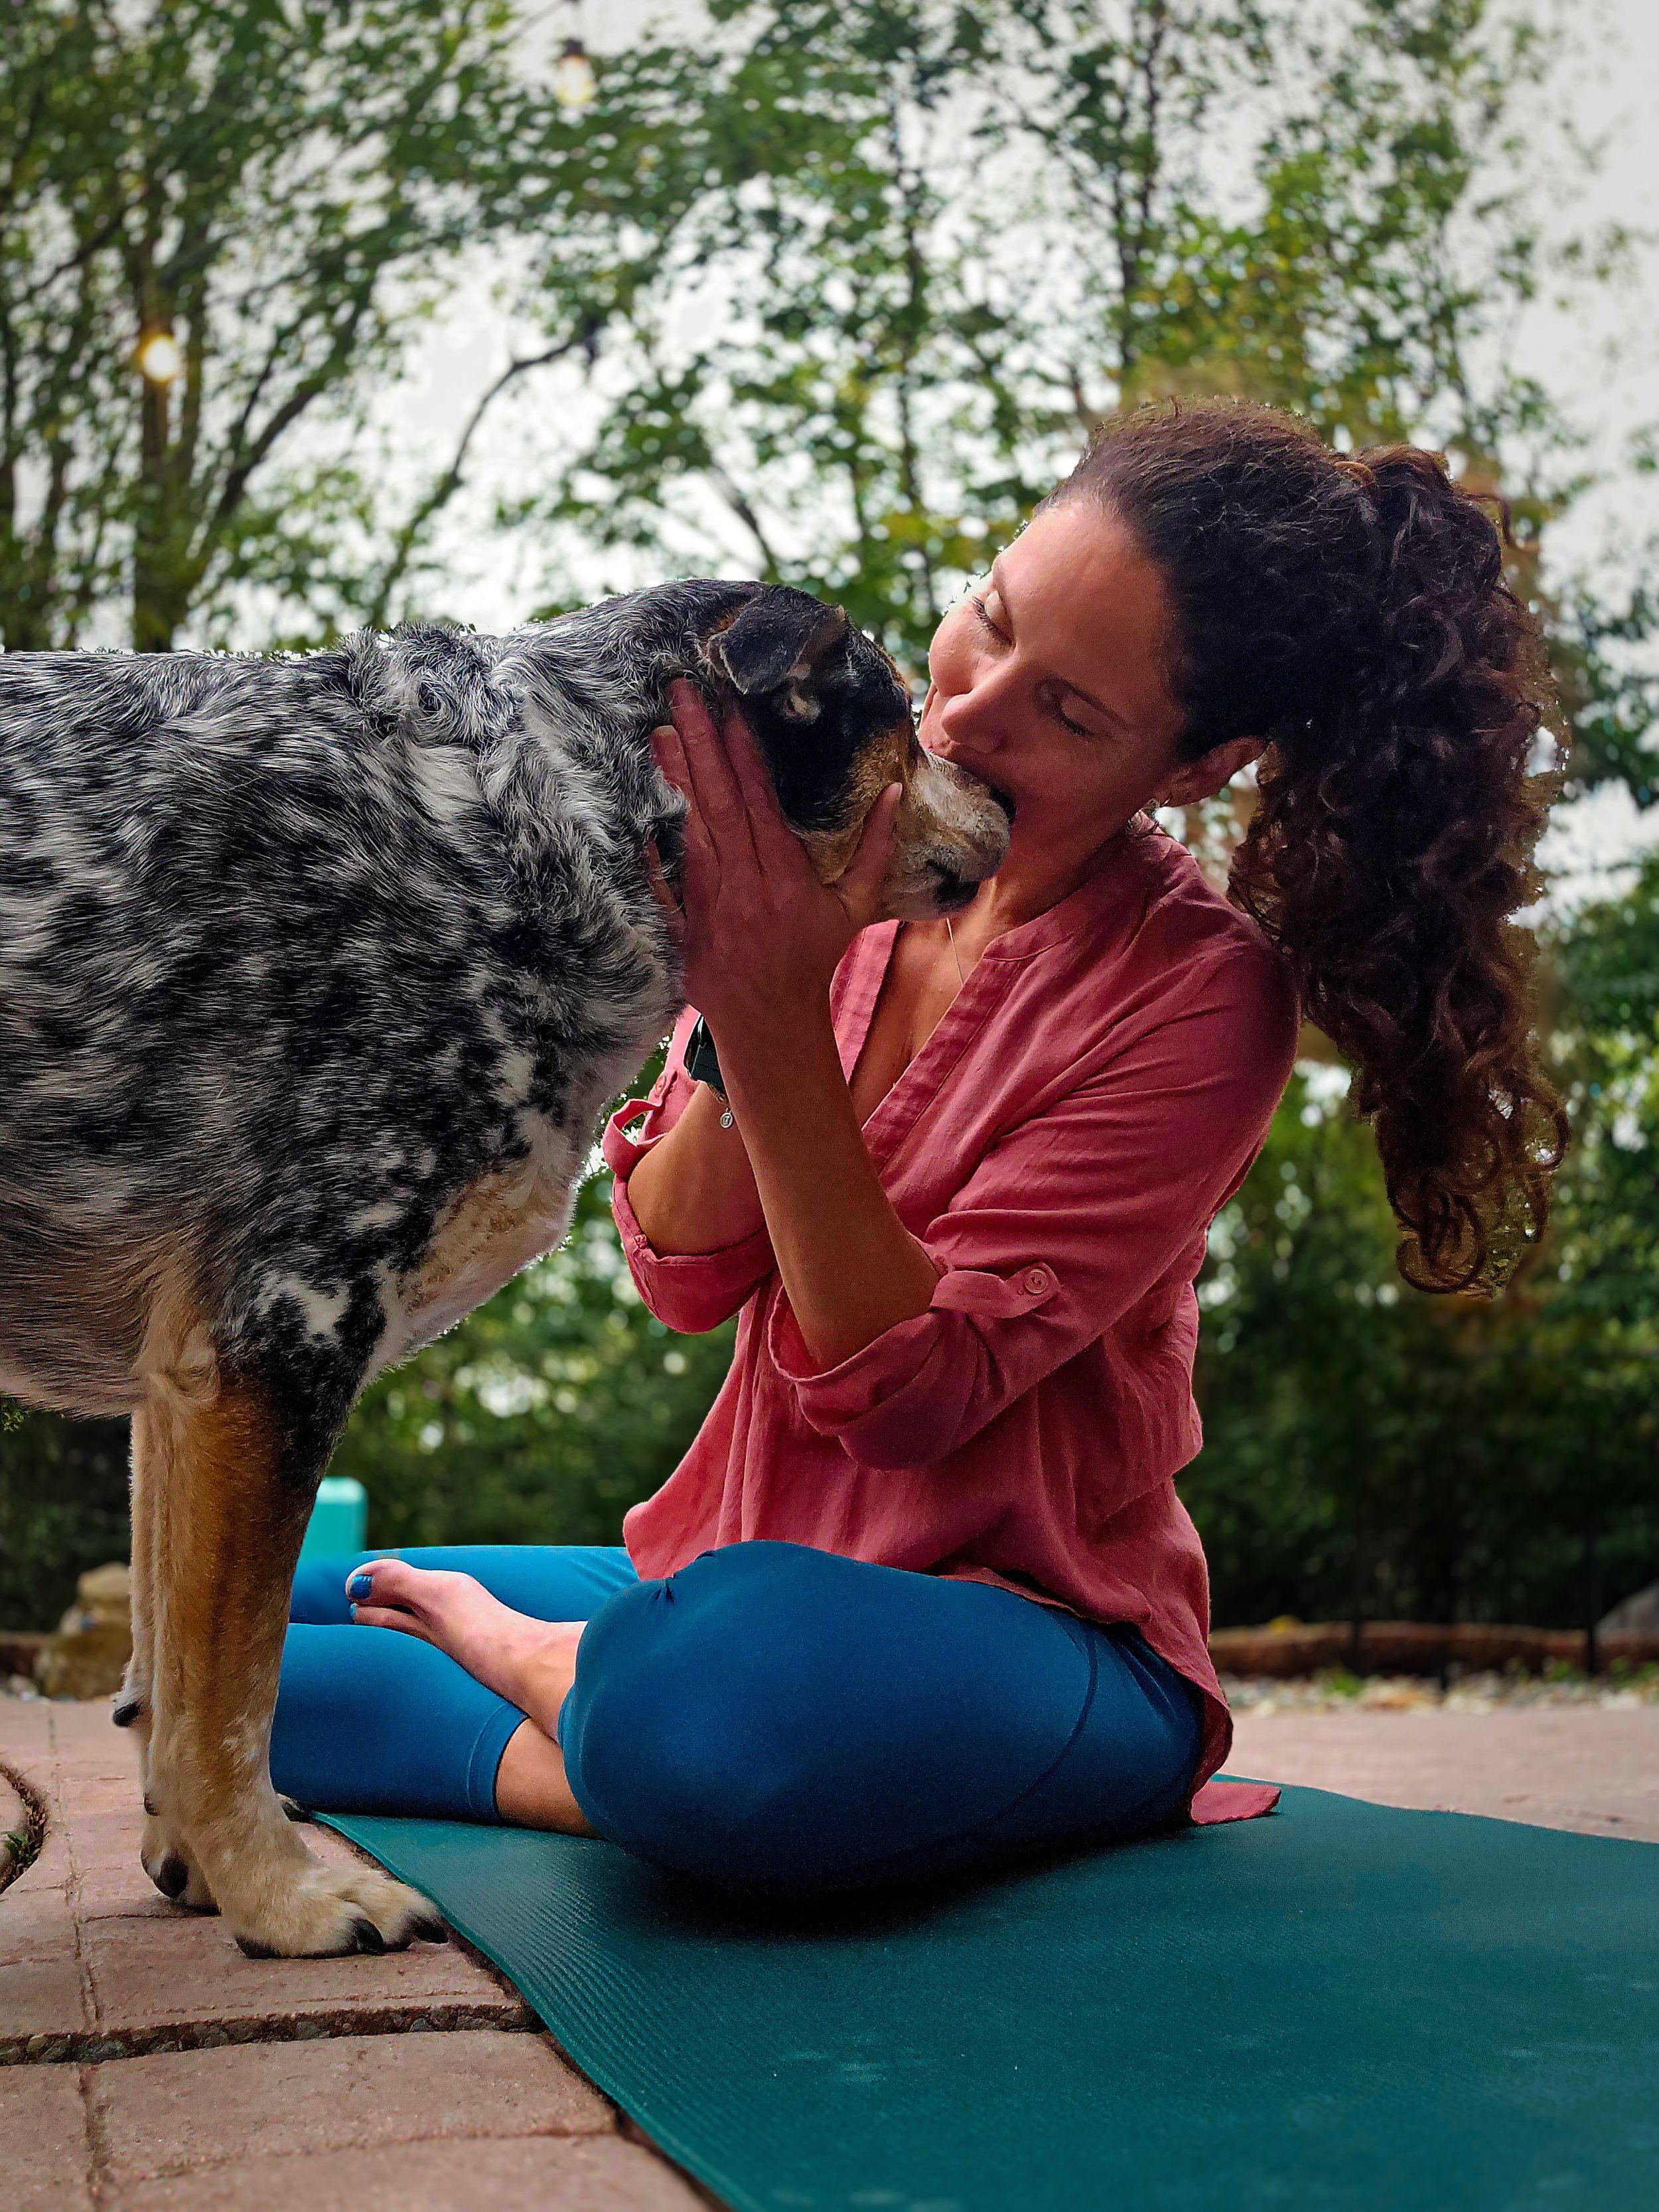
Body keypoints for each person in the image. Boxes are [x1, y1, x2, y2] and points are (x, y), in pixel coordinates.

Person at [273, 400, 1565, 1895]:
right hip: (736, 1563)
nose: (964, 715)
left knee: (714, 1688)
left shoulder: (1204, 997)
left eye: (1069, 713)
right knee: (266, 1622)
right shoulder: (860, 875)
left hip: (1029, 1631)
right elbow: (685, 1267)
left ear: (1197, 766)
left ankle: (586, 1688)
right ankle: (613, 1719)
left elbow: (906, 1391)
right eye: (988, 618)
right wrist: (753, 977)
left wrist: (761, 1004)